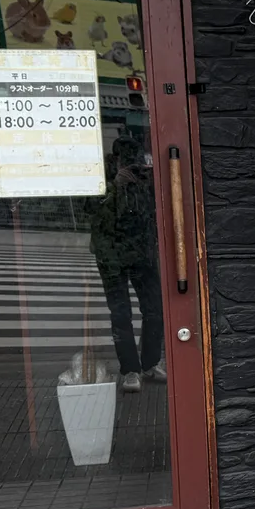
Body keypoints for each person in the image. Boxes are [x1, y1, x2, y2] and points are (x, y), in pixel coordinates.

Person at [89, 133, 165, 392]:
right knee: (121, 314)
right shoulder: (103, 179)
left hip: (142, 252)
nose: (131, 167)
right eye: (127, 162)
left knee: (155, 309)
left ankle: (150, 363)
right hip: (111, 255)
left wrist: (151, 181)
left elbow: (157, 211)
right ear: (116, 160)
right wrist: (115, 185)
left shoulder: (145, 179)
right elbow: (92, 210)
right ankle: (130, 369)